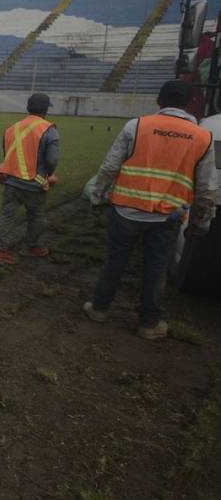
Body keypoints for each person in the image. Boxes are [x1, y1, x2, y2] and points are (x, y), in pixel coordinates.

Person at [84, 80, 216, 340]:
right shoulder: (203, 136)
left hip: (126, 211)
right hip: (169, 216)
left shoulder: (137, 126)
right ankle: (149, 323)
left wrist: (98, 196)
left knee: (114, 261)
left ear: (158, 100)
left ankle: (99, 309)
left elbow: (110, 167)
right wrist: (203, 222)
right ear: (190, 103)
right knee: (156, 268)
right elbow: (206, 189)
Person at [0, 93, 60, 264]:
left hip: (12, 181)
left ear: (28, 108)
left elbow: (7, 155)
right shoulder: (49, 129)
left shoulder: (11, 128)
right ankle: (31, 247)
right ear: (45, 110)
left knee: (7, 216)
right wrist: (48, 174)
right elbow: (52, 160)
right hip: (34, 183)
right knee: (36, 216)